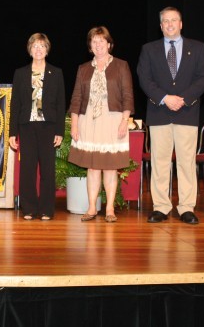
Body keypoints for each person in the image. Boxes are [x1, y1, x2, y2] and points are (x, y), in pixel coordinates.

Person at [137, 7, 204, 225]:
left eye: (174, 20)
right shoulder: (149, 50)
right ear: (160, 26)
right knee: (160, 162)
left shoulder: (197, 48)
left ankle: (186, 208)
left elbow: (203, 78)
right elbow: (144, 78)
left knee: (187, 163)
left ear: (181, 24)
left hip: (187, 113)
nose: (170, 24)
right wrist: (165, 98)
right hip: (159, 113)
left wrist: (183, 98)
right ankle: (161, 207)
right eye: (165, 21)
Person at [68, 26, 134, 223]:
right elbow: (76, 99)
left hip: (113, 120)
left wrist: (124, 121)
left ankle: (110, 209)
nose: (98, 45)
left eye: (101, 41)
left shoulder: (121, 66)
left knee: (110, 167)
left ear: (109, 44)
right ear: (90, 46)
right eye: (94, 42)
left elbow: (128, 96)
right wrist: (74, 125)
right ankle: (91, 208)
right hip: (88, 120)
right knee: (93, 167)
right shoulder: (83, 69)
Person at [9, 33, 65, 221]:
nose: (38, 49)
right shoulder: (20, 73)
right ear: (30, 49)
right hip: (26, 126)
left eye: (42, 46)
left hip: (48, 127)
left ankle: (47, 209)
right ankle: (29, 208)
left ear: (47, 49)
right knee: (27, 169)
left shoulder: (56, 73)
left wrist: (59, 131)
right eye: (35, 46)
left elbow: (60, 104)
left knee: (48, 170)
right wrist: (12, 133)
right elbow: (15, 104)